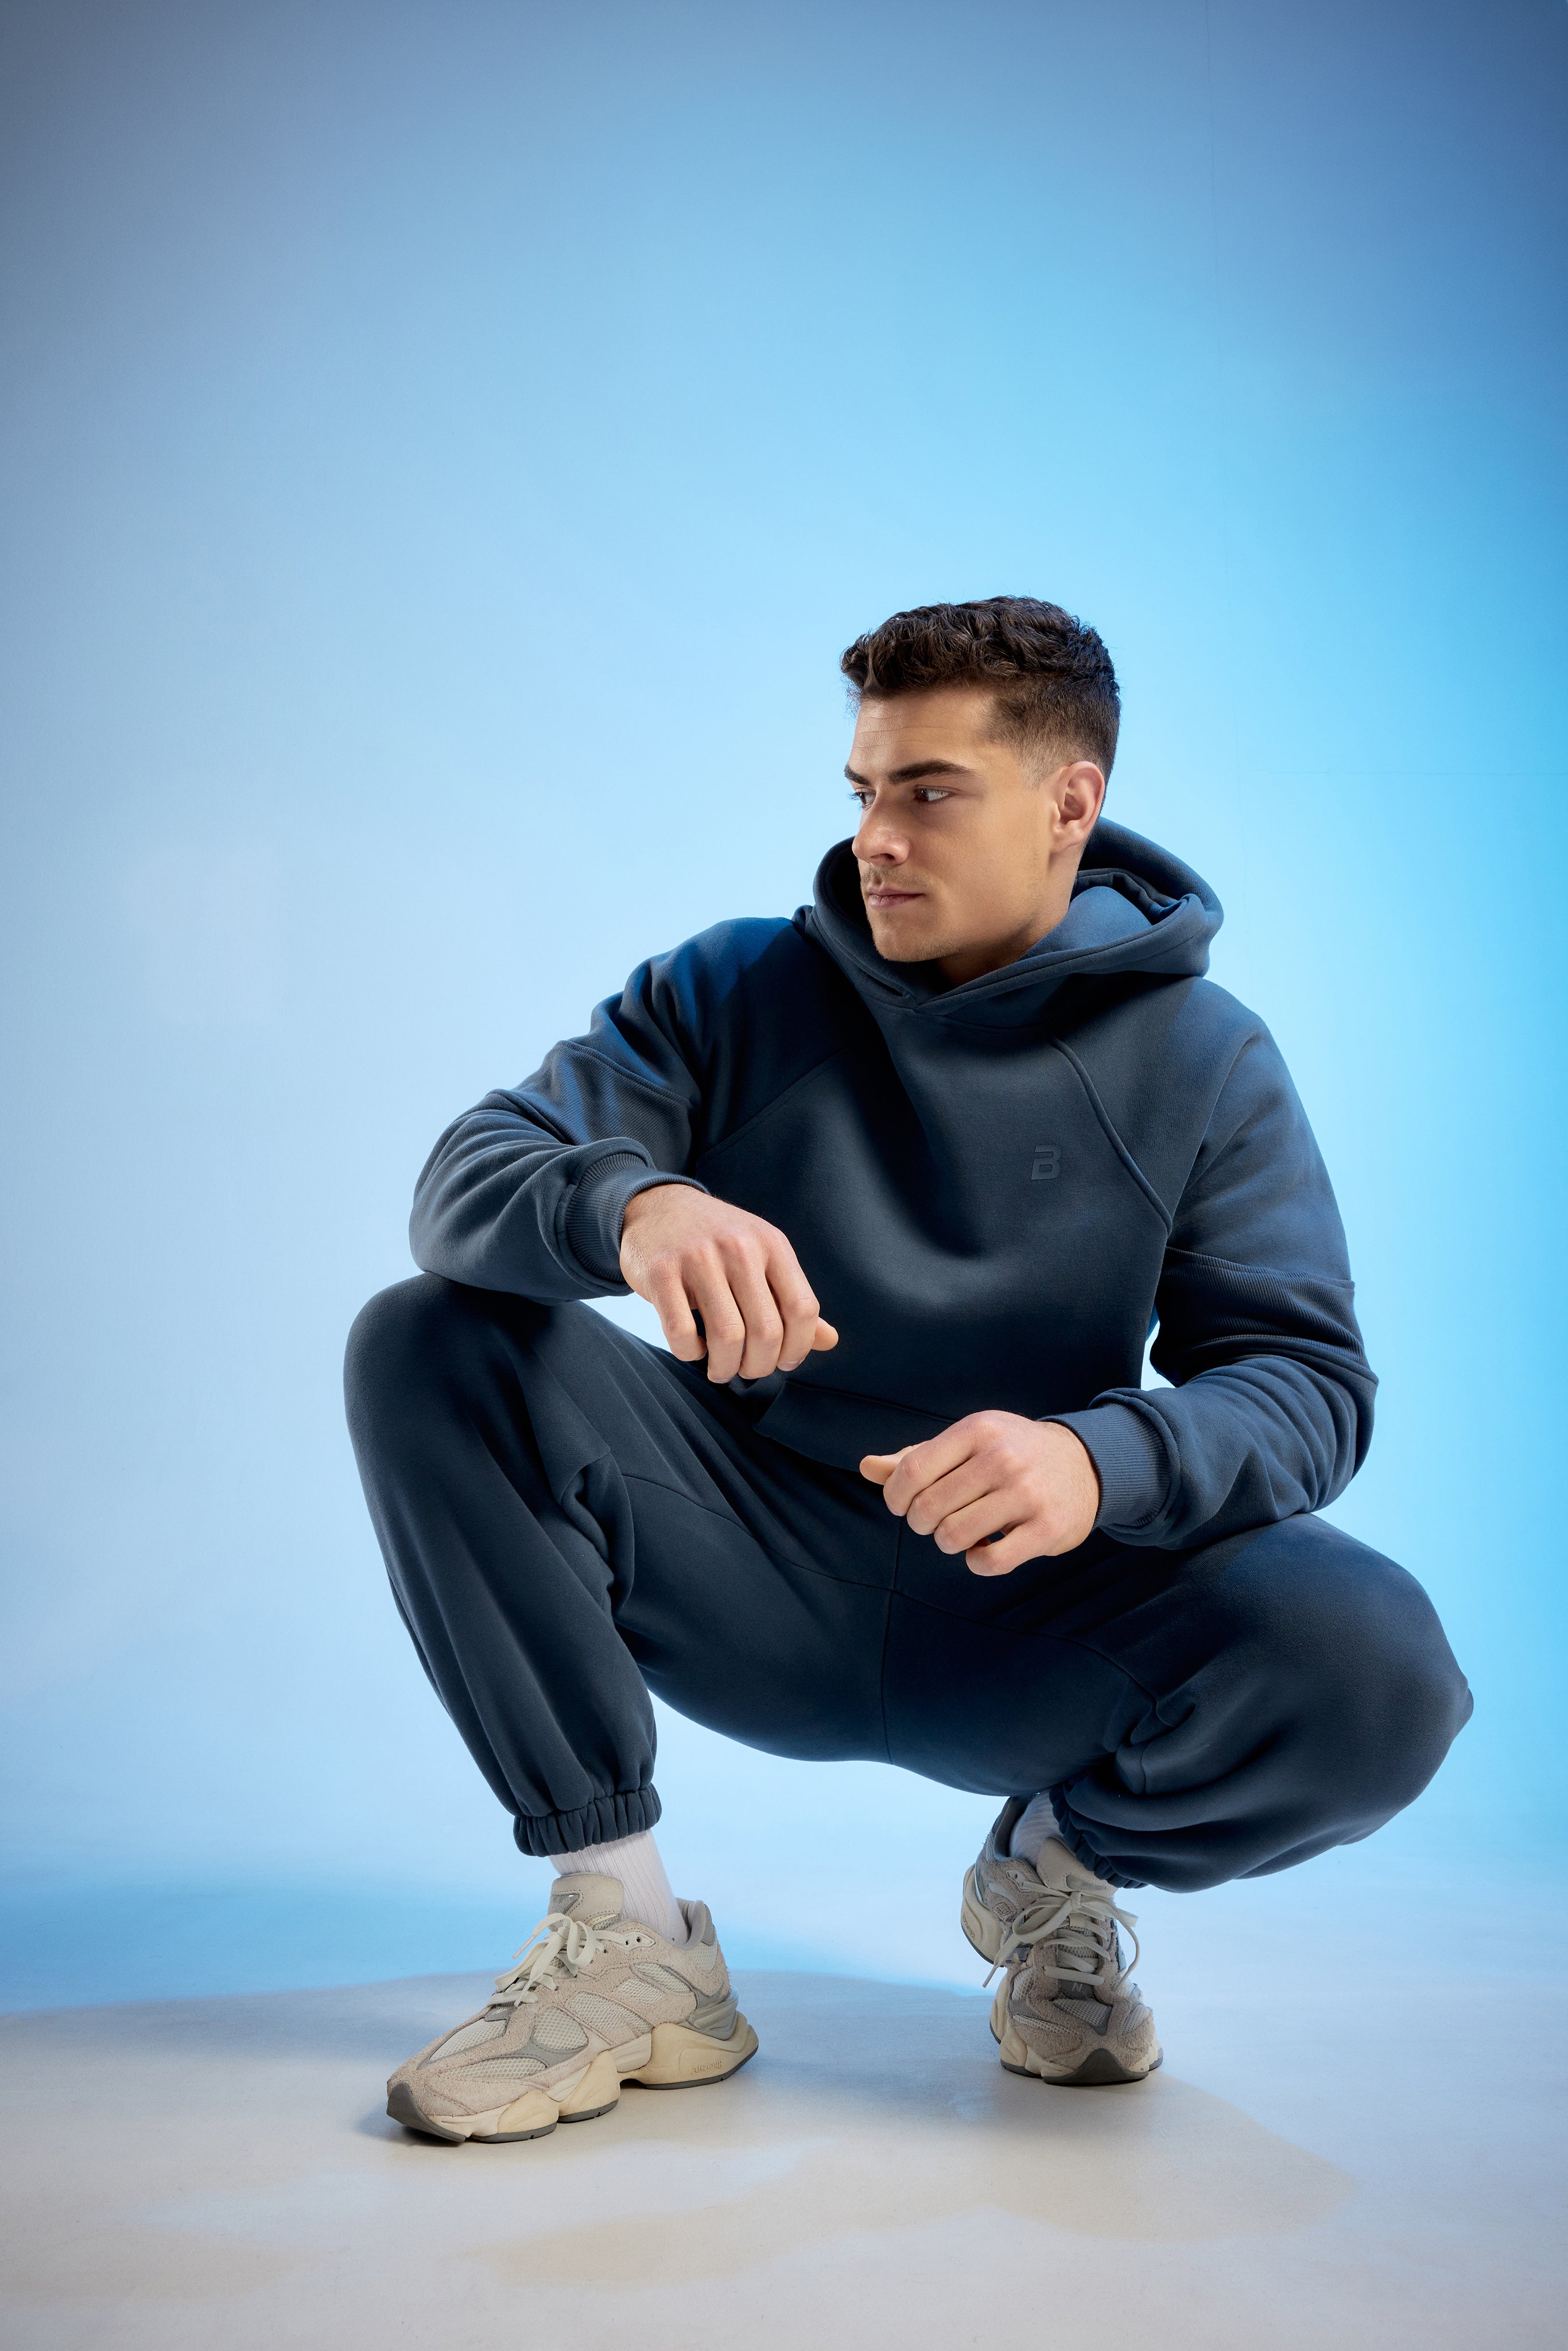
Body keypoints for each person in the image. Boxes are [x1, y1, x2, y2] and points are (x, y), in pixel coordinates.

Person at [346, 595, 1470, 2143]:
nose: (877, 836)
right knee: (427, 1333)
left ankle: (1053, 1875)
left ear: (1068, 803)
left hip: (1027, 1611)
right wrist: (632, 1204)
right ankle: (629, 1936)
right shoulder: (733, 990)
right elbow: (468, 1178)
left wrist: (1097, 1461)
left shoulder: (1208, 1059)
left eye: (930, 791)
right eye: (865, 789)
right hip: (745, 1560)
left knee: (1378, 1668)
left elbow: (1305, 1384)